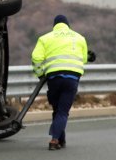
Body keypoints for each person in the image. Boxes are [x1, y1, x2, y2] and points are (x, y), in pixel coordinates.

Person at [31, 15, 89, 151]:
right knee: (62, 112)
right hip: (72, 79)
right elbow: (84, 59)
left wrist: (40, 74)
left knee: (57, 110)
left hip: (54, 79)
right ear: (68, 25)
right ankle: (54, 140)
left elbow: (36, 57)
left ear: (54, 25)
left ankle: (60, 139)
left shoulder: (45, 38)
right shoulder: (79, 38)